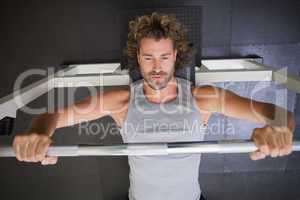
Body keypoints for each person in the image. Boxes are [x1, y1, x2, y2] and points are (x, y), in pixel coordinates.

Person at [13, 12, 295, 200]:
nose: (156, 68)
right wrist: (39, 131)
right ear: (138, 57)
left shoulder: (203, 98)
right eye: (148, 58)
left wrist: (278, 129)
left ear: (175, 56)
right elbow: (54, 116)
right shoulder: (121, 101)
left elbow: (278, 113)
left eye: (163, 57)